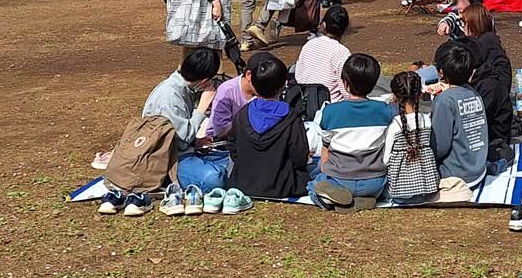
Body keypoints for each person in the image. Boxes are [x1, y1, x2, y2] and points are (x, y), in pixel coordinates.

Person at [311, 53, 397, 207]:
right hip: (375, 182)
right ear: (374, 83)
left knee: (314, 184)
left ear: (345, 82)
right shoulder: (386, 111)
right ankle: (363, 199)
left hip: (340, 179)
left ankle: (330, 201)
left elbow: (326, 147)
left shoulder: (331, 111)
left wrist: (324, 169)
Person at [226, 52, 309, 198]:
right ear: (284, 84)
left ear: (253, 83)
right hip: (283, 186)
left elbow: (234, 150)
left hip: (243, 184)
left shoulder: (242, 114)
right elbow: (299, 157)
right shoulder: (291, 116)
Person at [145, 46, 221, 177]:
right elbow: (181, 142)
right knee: (213, 177)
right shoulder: (170, 96)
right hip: (166, 160)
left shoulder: (184, 89)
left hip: (183, 151)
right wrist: (202, 108)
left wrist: (197, 141)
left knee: (231, 162)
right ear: (204, 80)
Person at [429, 42, 489, 202]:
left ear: (441, 72)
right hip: (478, 168)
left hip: (457, 176)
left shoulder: (445, 101)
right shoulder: (473, 93)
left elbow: (439, 146)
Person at [463, 4, 514, 170]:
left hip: (494, 122)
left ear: (473, 24)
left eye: (465, 23)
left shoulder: (485, 43)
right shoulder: (484, 40)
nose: (463, 27)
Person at [382, 69, 441, 203]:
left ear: (394, 96)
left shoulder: (395, 125)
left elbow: (385, 160)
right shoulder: (427, 120)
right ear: (420, 95)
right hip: (427, 188)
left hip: (400, 191)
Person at [292, 5, 354, 103]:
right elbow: (346, 91)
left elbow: (298, 75)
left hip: (304, 101)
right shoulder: (343, 53)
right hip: (330, 106)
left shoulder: (309, 45)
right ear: (346, 29)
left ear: (323, 25)